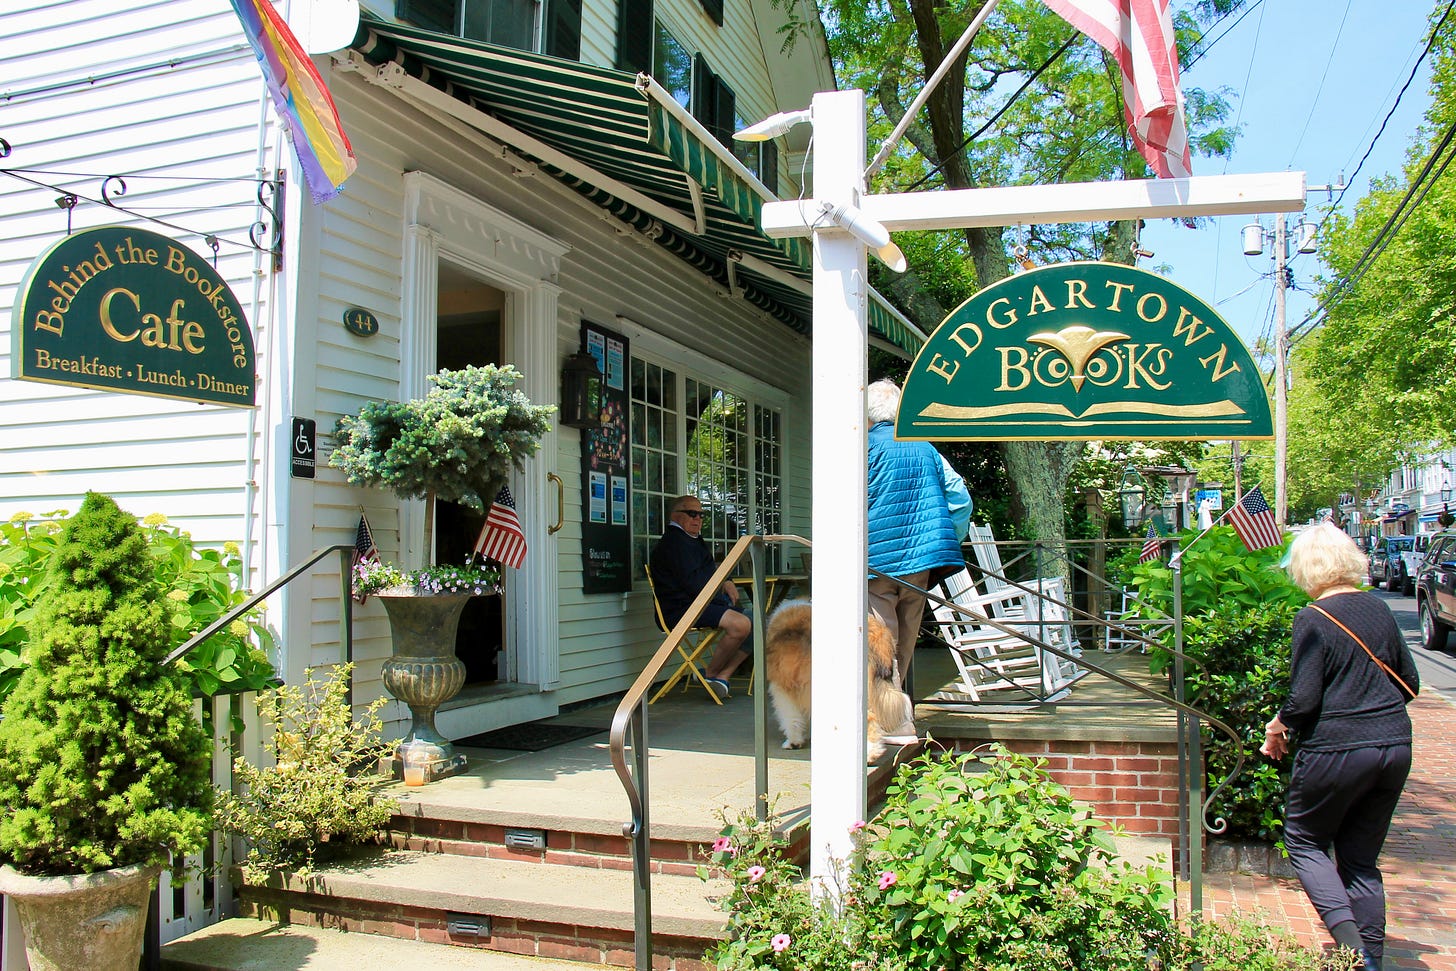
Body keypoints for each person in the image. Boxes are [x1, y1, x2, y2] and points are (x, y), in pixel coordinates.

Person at [1260, 523, 1420, 971]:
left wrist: (1276, 728)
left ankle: (1354, 951)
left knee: (1304, 841)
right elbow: (1410, 681)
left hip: (1337, 748)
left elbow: (1304, 698)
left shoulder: (1313, 617)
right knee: (1360, 860)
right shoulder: (1378, 608)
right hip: (1394, 745)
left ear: (1306, 568)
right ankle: (1373, 959)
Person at [866, 378, 969, 713]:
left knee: (881, 643)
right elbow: (960, 499)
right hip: (922, 562)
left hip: (878, 562)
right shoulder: (926, 448)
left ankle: (891, 720)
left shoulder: (864, 448)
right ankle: (896, 712)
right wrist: (944, 537)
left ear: (868, 415)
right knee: (904, 643)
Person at [649, 495, 752, 698]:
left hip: (699, 605)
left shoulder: (692, 540)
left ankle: (722, 676)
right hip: (681, 610)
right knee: (741, 624)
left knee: (758, 623)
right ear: (675, 515)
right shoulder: (673, 543)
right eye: (692, 513)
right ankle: (711, 673)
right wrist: (722, 598)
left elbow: (710, 569)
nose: (698, 518)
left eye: (701, 514)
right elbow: (694, 584)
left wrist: (726, 580)